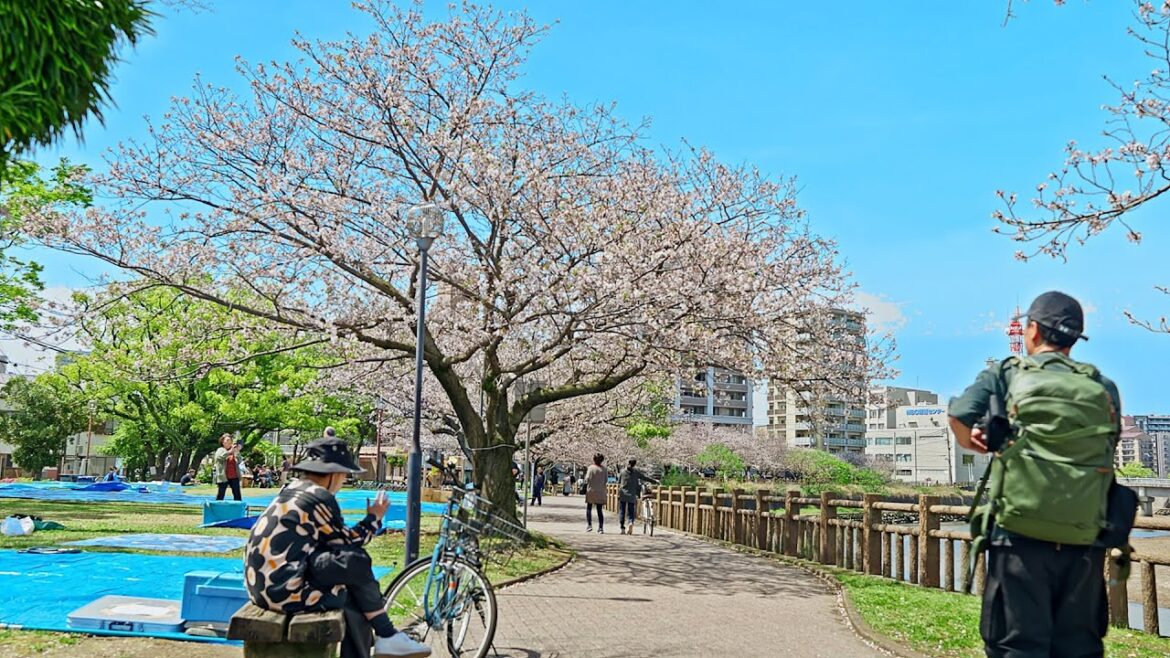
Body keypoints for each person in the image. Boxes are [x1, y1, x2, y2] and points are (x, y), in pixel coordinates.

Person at [948, 291, 1120, 658]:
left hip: (1018, 538)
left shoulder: (1008, 373)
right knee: (1078, 647)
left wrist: (976, 443)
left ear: (1033, 332)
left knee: (1017, 646)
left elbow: (959, 414)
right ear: (1074, 338)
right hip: (1084, 540)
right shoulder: (1102, 387)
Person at [245, 429, 431, 658]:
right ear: (332, 473)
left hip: (263, 586)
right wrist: (374, 518)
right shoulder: (318, 497)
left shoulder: (292, 489)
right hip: (284, 590)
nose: (344, 481)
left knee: (350, 580)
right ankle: (387, 635)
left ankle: (387, 636)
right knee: (354, 569)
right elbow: (350, 543)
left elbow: (334, 544)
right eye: (344, 475)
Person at [618, 459, 658, 535]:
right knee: (631, 511)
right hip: (632, 494)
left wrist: (618, 493)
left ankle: (622, 528)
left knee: (622, 511)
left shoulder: (622, 472)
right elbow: (644, 477)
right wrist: (654, 481)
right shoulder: (636, 472)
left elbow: (619, 483)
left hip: (623, 494)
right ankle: (631, 522)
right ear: (634, 464)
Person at [213, 434, 244, 501]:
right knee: (221, 494)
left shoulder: (234, 450)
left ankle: (237, 508)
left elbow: (239, 460)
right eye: (227, 440)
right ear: (223, 442)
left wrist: (237, 451)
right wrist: (229, 452)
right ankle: (217, 507)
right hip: (223, 476)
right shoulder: (220, 450)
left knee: (237, 494)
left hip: (234, 476)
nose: (229, 442)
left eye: (230, 440)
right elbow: (219, 458)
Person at [584, 454, 607, 533]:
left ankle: (589, 525)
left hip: (591, 490)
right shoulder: (604, 469)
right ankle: (600, 527)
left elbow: (587, 479)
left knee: (589, 508)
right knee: (599, 510)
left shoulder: (591, 468)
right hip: (600, 491)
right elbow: (606, 480)